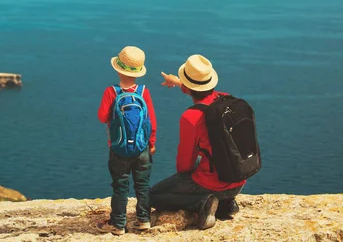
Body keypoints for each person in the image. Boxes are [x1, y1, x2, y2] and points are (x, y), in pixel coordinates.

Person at [150, 54, 244, 230]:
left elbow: (185, 165)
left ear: (186, 88)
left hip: (213, 184)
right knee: (208, 160)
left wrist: (185, 177)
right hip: (238, 179)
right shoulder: (227, 100)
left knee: (152, 195)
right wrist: (178, 82)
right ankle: (226, 205)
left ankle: (202, 204)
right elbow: (204, 94)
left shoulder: (191, 117)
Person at [96, 46, 157, 236]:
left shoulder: (111, 92)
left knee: (120, 187)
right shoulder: (143, 91)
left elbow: (101, 116)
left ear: (117, 68)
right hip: (142, 149)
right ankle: (144, 220)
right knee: (143, 185)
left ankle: (119, 224)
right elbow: (151, 120)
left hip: (118, 149)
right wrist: (151, 142)